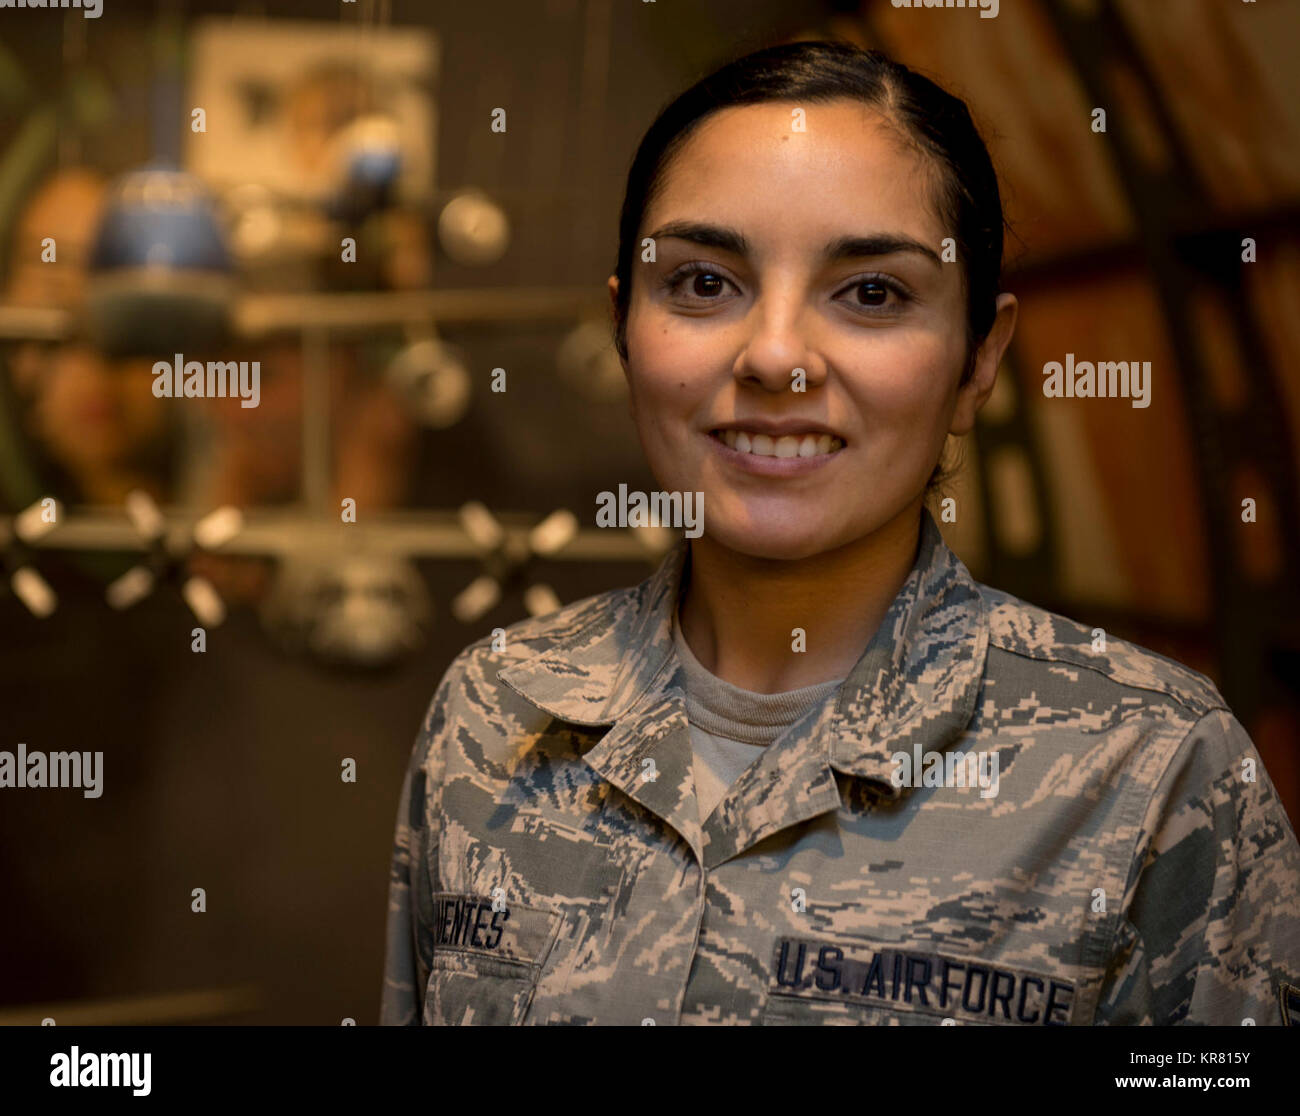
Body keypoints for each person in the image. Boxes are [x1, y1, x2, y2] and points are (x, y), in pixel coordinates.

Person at [380, 40, 1300, 1026]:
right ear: (623, 330)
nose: (775, 356)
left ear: (979, 361)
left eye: (871, 293)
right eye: (700, 283)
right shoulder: (497, 714)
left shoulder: (1149, 771)